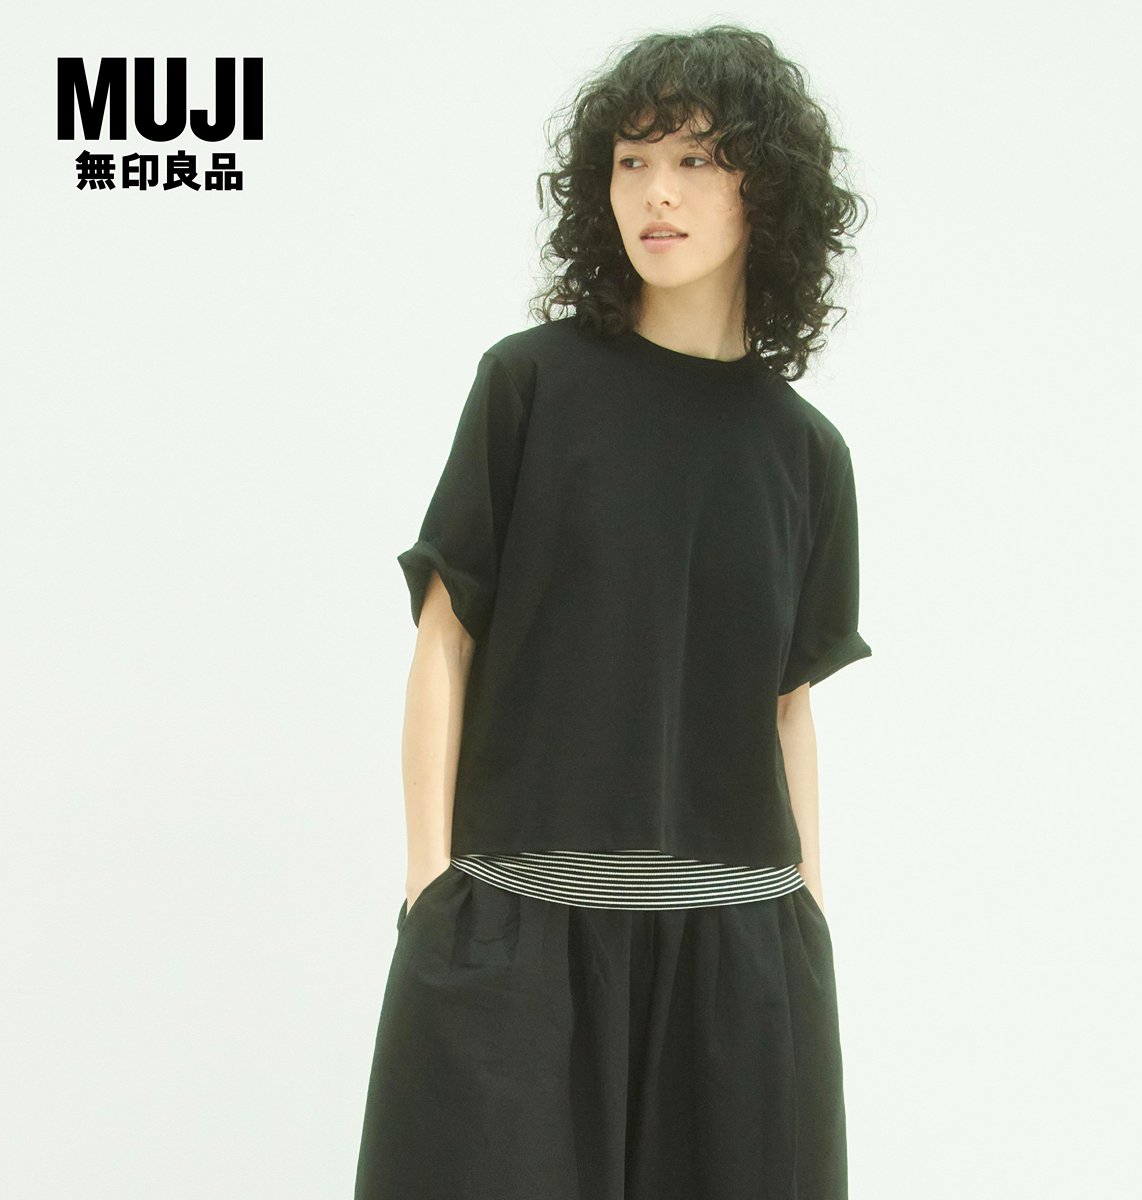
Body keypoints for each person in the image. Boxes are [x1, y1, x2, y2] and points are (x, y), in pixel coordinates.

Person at [355, 23, 872, 1200]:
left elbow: (786, 705)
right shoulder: (529, 387)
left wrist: (809, 919)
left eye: (694, 158)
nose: (657, 193)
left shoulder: (807, 455)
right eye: (632, 161)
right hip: (519, 933)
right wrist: (431, 892)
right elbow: (445, 640)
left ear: (767, 188)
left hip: (739, 952)